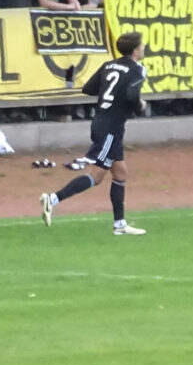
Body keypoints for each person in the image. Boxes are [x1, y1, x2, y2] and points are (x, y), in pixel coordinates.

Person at [38, 31, 148, 236]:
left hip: (100, 121)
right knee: (96, 175)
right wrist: (139, 106)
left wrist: (111, 94)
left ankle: (120, 225)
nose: (144, 48)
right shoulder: (138, 69)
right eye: (142, 46)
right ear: (135, 50)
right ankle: (52, 199)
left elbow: (88, 88)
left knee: (120, 172)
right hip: (111, 128)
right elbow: (133, 95)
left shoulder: (109, 65)